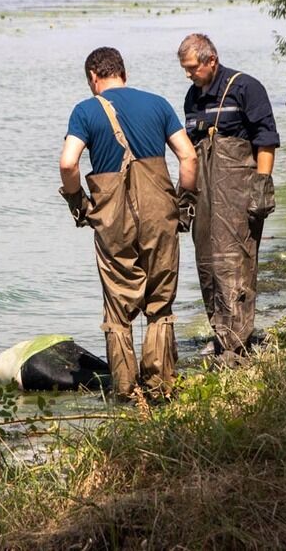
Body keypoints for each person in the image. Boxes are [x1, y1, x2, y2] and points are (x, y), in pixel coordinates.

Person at [59, 47, 198, 399]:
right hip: (160, 212)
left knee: (119, 310)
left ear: (93, 77)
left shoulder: (85, 111)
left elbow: (68, 164)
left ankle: (125, 392)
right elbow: (188, 156)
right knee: (159, 302)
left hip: (112, 218)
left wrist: (80, 204)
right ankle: (161, 387)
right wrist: (185, 205)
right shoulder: (158, 104)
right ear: (124, 72)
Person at [177, 33, 280, 364]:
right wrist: (186, 200)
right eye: (185, 69)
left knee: (236, 263)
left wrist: (262, 186)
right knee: (207, 264)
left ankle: (237, 344)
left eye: (193, 68)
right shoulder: (192, 100)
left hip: (239, 193)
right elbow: (191, 153)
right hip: (205, 195)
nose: (189, 75)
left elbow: (266, 140)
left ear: (212, 61)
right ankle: (221, 334)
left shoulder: (246, 88)